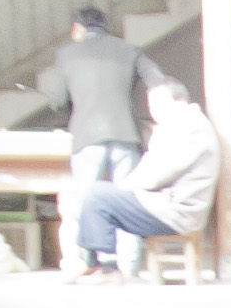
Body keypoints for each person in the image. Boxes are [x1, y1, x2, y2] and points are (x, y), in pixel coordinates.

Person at [41, 6, 149, 275]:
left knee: (84, 202)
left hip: (87, 137)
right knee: (126, 201)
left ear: (78, 27)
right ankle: (129, 266)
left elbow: (57, 100)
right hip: (125, 136)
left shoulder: (67, 54)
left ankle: (85, 261)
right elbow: (157, 80)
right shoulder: (129, 51)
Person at [74, 75, 215, 277]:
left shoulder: (189, 127)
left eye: (158, 104)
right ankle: (94, 264)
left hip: (177, 211)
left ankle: (107, 268)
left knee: (98, 196)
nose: (154, 111)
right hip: (167, 204)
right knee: (97, 194)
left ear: (179, 100)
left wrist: (123, 188)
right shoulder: (183, 124)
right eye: (151, 106)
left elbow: (158, 173)